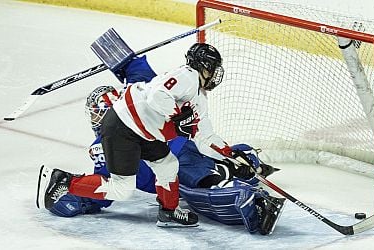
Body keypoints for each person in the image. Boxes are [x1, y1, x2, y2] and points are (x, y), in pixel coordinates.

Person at [37, 42, 243, 228]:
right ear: (204, 66)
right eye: (213, 67)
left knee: (168, 165)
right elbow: (157, 97)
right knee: (122, 189)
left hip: (145, 133)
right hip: (122, 127)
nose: (216, 73)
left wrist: (229, 155)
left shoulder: (199, 97)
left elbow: (204, 137)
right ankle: (64, 181)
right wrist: (177, 117)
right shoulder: (187, 76)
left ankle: (168, 212)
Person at [45, 82, 285, 234]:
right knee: (211, 176)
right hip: (181, 152)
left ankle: (249, 184)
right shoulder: (133, 111)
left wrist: (75, 198)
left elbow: (104, 192)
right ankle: (248, 172)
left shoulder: (105, 141)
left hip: (180, 155)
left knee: (207, 184)